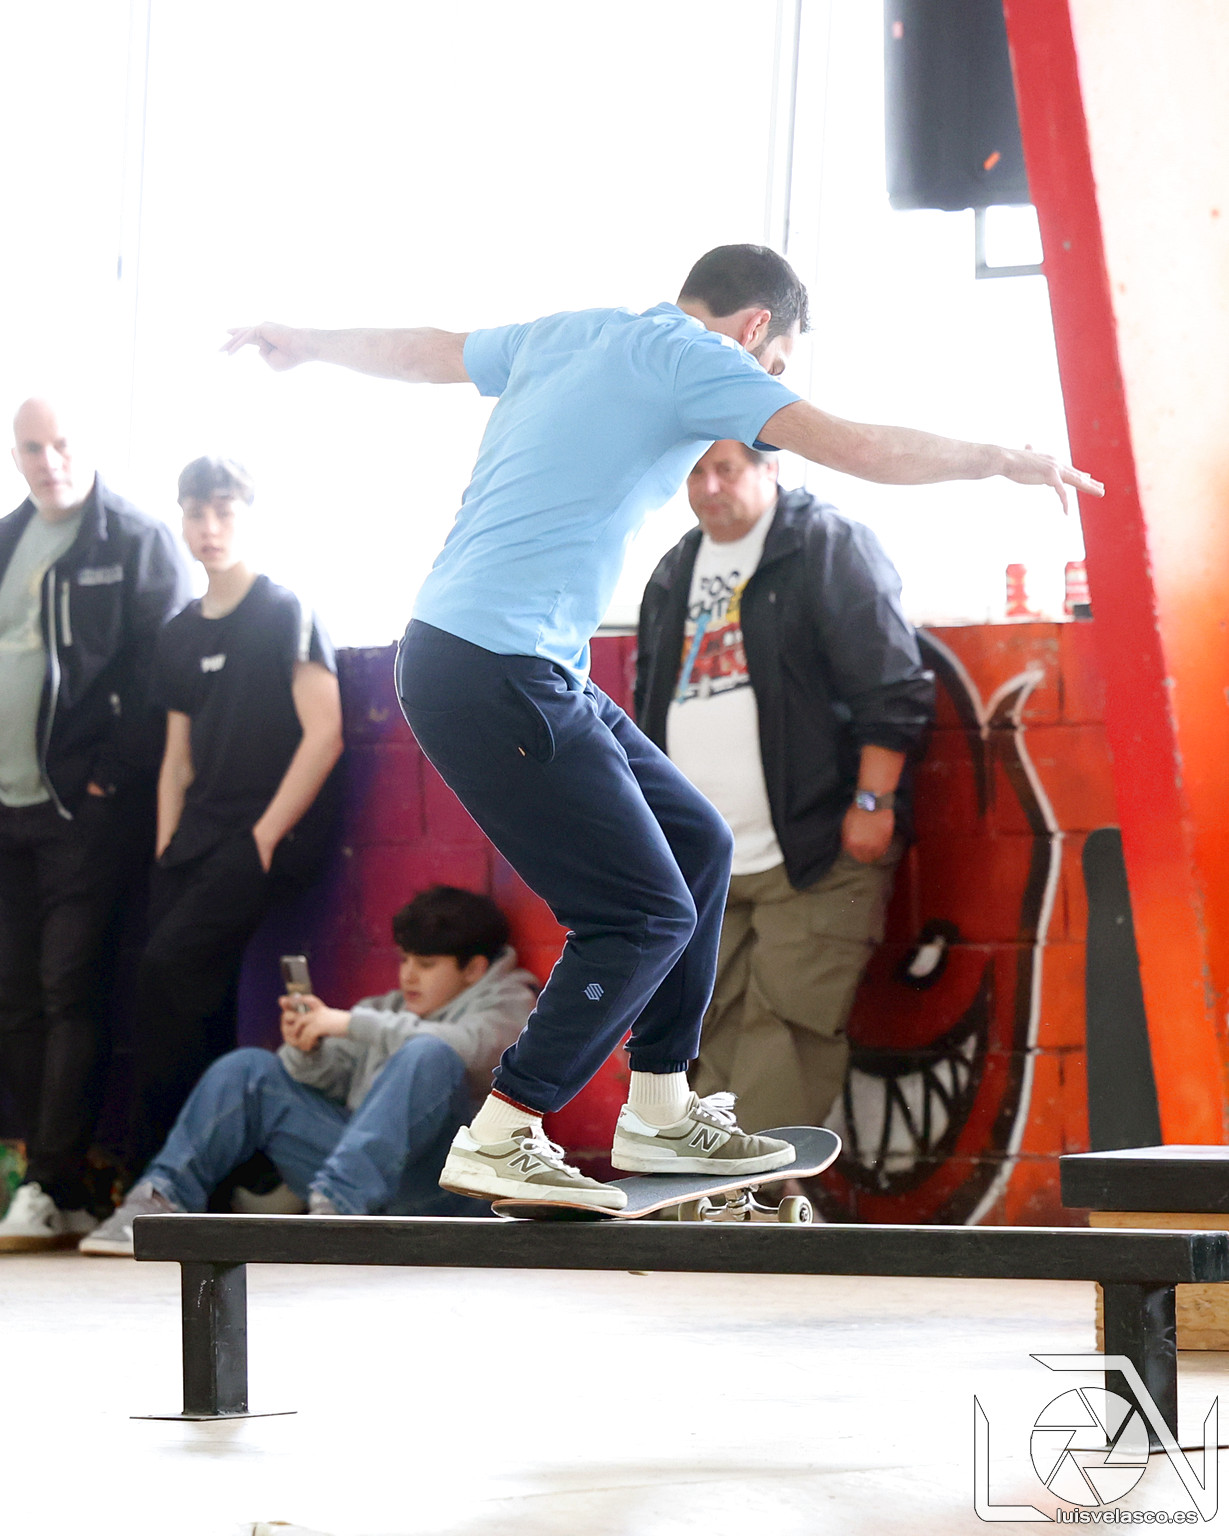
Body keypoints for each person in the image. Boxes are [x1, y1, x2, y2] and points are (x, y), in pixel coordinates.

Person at [226, 243, 1102, 1213]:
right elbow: (850, 445)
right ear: (756, 328)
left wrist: (304, 341)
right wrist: (1001, 461)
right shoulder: (701, 357)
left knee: (696, 844)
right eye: (773, 365)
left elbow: (427, 350)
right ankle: (505, 1132)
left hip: (484, 657)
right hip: (498, 667)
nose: (761, 387)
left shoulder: (572, 332)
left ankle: (660, 1107)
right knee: (640, 916)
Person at [635, 439, 933, 1132]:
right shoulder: (675, 568)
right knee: (702, 1030)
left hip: (815, 845)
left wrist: (873, 801)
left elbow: (892, 685)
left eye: (726, 469)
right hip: (703, 859)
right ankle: (726, 1190)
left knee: (787, 1033)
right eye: (695, 472)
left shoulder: (826, 544)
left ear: (770, 467)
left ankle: (755, 1186)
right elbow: (649, 701)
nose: (709, 487)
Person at [82, 885, 537, 1253]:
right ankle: (155, 1203)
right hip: (360, 1187)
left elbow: (468, 1047)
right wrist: (308, 1048)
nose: (408, 976)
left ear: (474, 969)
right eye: (404, 960)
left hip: (441, 1192)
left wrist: (349, 1024)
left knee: (428, 1053)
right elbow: (327, 1083)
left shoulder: (512, 1004)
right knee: (249, 1067)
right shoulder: (386, 1009)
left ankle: (336, 1211)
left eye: (426, 964)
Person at [0, 398, 188, 1252]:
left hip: (84, 811)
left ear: (87, 445)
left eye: (61, 443)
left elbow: (161, 675)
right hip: (7, 810)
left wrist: (110, 776)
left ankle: (48, 1180)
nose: (48, 461)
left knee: (68, 989)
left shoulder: (135, 541)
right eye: (31, 447)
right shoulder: (8, 540)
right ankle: (61, 1186)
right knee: (15, 998)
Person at [125, 456, 344, 1177]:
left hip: (264, 835)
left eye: (223, 512)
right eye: (196, 513)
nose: (209, 528)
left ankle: (163, 1173)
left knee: (166, 971)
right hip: (194, 838)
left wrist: (264, 836)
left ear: (247, 517)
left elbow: (325, 734)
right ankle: (221, 1172)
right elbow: (177, 757)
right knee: (187, 993)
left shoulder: (286, 610)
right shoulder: (178, 633)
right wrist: (166, 845)